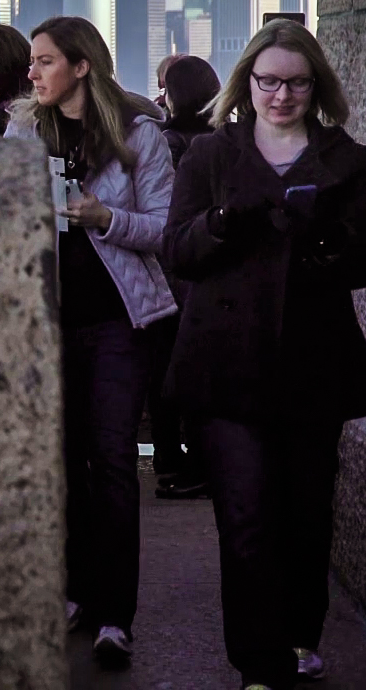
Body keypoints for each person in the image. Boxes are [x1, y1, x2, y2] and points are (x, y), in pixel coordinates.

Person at [164, 20, 366, 689]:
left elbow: (363, 259)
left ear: (317, 87)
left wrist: (329, 240)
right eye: (269, 81)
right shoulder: (212, 157)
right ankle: (259, 664)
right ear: (247, 83)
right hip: (227, 363)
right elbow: (178, 252)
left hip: (312, 362)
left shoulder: (346, 159)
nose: (282, 95)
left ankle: (301, 634)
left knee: (306, 514)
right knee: (246, 517)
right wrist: (224, 222)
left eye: (297, 82)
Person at [5, 16, 177, 668]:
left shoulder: (138, 136)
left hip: (117, 324)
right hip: (47, 323)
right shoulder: (24, 132)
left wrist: (106, 218)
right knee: (65, 462)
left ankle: (115, 614)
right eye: (32, 62)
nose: (33, 72)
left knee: (110, 463)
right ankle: (74, 592)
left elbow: (165, 229)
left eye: (45, 61)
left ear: (81, 66)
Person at [151, 55, 221, 498]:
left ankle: (172, 458)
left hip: (173, 273)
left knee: (166, 370)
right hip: (211, 272)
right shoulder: (227, 140)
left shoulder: (169, 142)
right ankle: (198, 461)